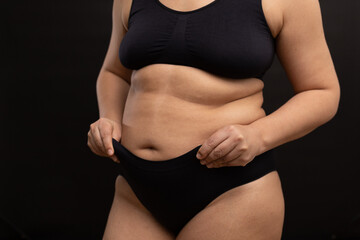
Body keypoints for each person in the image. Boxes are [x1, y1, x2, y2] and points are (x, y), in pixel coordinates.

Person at [87, 0, 340, 238]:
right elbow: (114, 72)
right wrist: (109, 118)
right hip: (136, 188)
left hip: (230, 188)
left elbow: (322, 91)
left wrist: (259, 136)